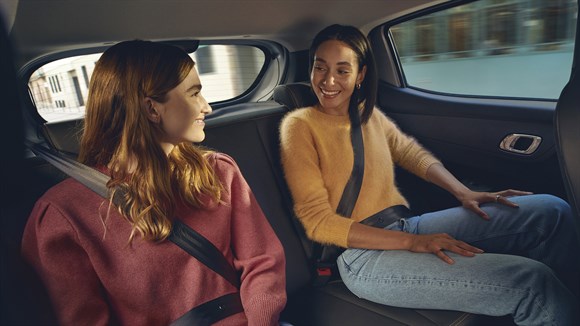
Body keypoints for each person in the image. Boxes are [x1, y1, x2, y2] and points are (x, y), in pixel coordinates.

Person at [279, 24, 580, 325]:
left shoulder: (366, 115)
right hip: (364, 257)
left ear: (360, 75)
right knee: (532, 283)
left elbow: (411, 153)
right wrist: (412, 244)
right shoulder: (299, 127)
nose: (328, 80)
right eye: (320, 68)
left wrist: (463, 192)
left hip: (406, 225)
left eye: (342, 70)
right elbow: (317, 222)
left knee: (552, 210)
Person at [22, 40, 286, 326]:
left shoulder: (219, 172)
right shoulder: (63, 214)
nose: (206, 107)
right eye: (194, 94)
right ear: (151, 109)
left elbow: (263, 262)